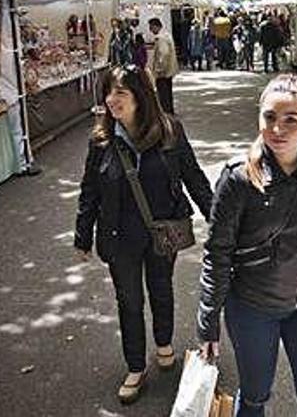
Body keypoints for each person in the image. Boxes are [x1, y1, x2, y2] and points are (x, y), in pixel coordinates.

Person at [198, 75, 297, 417]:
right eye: (270, 117)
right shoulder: (239, 178)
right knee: (255, 397)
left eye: (291, 119)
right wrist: (208, 321)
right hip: (251, 309)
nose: (277, 129)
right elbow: (218, 254)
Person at [74, 65, 213, 404]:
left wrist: (217, 218)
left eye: (120, 92)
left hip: (162, 231)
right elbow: (89, 190)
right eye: (108, 92)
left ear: (140, 96)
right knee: (130, 301)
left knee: (161, 289)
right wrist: (82, 235)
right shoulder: (101, 140)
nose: (111, 99)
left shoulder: (169, 131)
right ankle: (135, 366)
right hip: (119, 237)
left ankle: (164, 342)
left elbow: (193, 177)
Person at [148, 18, 180, 115]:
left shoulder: (161, 38)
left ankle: (166, 112)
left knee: (163, 93)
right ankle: (169, 110)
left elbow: (163, 54)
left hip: (163, 71)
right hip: (169, 70)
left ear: (155, 26)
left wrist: (159, 69)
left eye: (151, 27)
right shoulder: (167, 35)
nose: (150, 30)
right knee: (167, 92)